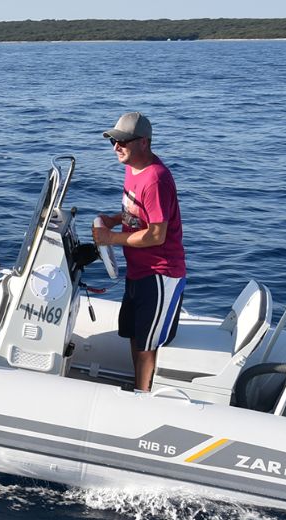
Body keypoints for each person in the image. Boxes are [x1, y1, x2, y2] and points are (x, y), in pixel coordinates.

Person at [92, 112, 186, 392]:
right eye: (113, 141)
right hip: (137, 270)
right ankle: (138, 387)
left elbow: (156, 235)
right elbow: (136, 214)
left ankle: (142, 396)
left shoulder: (156, 179)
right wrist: (113, 220)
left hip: (159, 273)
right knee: (134, 332)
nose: (116, 147)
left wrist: (111, 237)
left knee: (147, 345)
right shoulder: (133, 168)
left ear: (144, 142)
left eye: (123, 142)